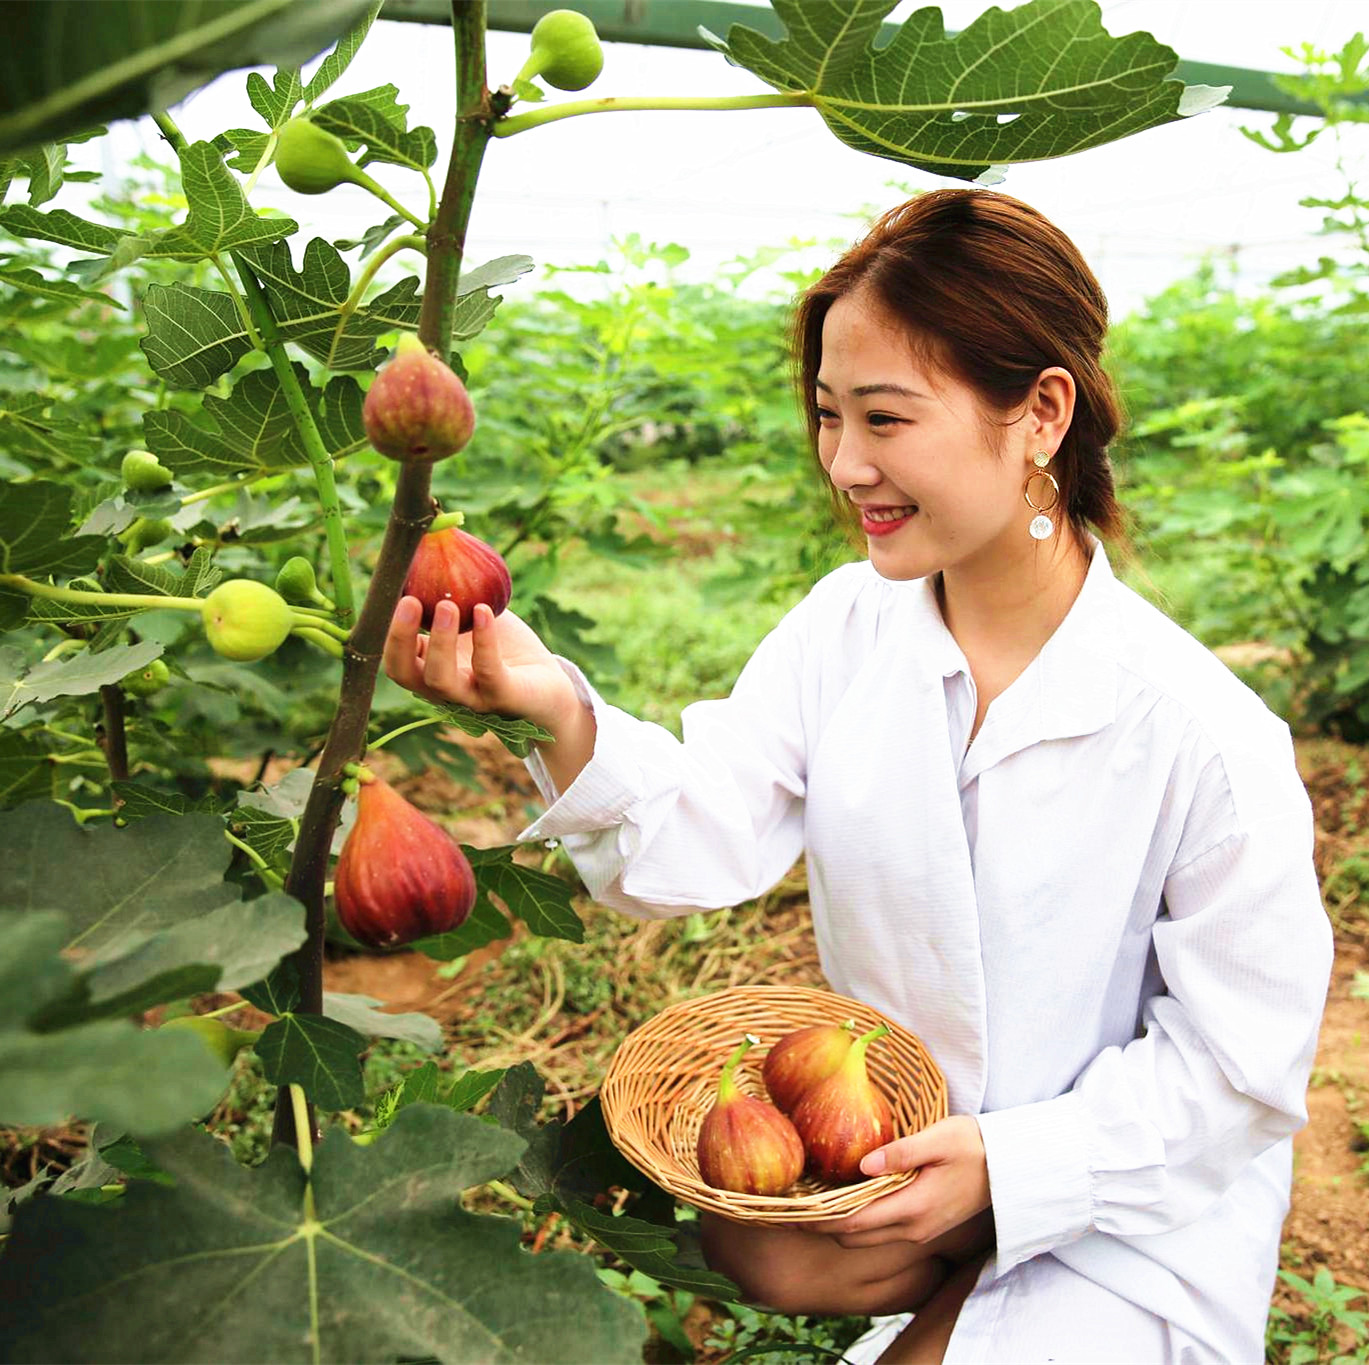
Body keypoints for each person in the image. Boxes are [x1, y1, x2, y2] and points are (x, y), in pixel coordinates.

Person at [382, 188, 1334, 1364]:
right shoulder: (849, 628)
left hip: (1137, 1189)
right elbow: (703, 830)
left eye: (885, 420)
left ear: (1039, 414)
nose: (844, 464)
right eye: (829, 417)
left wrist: (1013, 1166)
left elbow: (1240, 1075)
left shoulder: (1198, 730)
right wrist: (552, 706)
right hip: (906, 1147)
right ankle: (958, 1282)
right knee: (758, 1245)